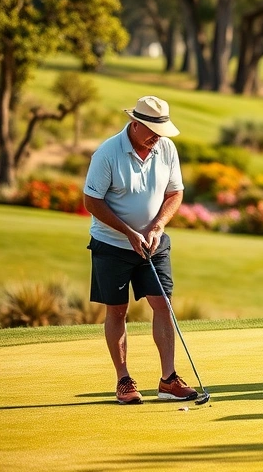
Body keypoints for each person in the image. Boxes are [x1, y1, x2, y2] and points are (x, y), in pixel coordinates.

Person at [83, 96, 196, 405]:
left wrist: (157, 226)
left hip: (154, 243)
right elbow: (92, 202)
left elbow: (175, 192)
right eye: (151, 130)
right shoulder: (107, 153)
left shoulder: (166, 149)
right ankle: (123, 380)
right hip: (112, 245)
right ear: (134, 124)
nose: (157, 137)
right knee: (117, 310)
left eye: (161, 130)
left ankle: (168, 379)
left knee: (163, 305)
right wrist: (129, 233)